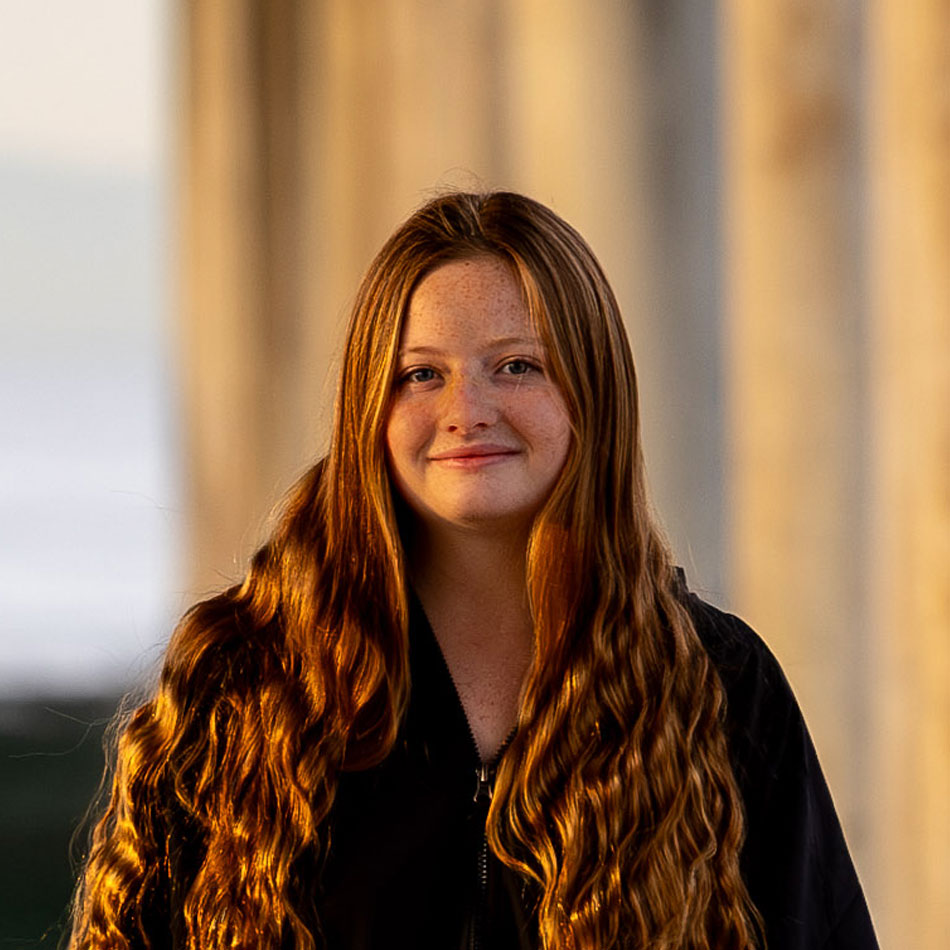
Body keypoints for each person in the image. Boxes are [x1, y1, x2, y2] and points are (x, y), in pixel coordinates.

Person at [69, 192, 878, 950]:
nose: (467, 410)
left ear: (593, 389)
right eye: (421, 374)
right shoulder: (249, 681)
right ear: (369, 407)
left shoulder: (715, 686)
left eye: (517, 365)